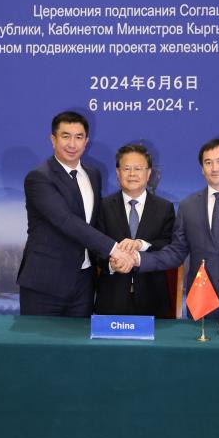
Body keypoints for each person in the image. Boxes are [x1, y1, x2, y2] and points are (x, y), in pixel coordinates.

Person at [112, 138, 219, 322]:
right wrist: (138, 259)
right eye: (208, 163)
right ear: (202, 169)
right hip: (203, 305)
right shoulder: (188, 206)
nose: (214, 168)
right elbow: (176, 252)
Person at [17, 111, 136, 316]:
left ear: (86, 141)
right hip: (45, 284)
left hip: (84, 284)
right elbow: (65, 221)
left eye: (79, 137)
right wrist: (114, 249)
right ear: (53, 139)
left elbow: (93, 225)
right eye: (66, 136)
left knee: (80, 338)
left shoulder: (93, 174)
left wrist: (109, 260)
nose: (72, 144)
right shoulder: (39, 177)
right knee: (40, 338)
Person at [94, 144, 175, 317]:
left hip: (153, 298)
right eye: (126, 168)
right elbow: (95, 247)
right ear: (118, 172)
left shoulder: (165, 208)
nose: (132, 174)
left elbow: (168, 245)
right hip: (112, 298)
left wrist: (141, 245)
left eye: (138, 168)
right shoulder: (103, 207)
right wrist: (112, 264)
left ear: (149, 173)